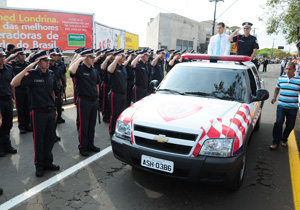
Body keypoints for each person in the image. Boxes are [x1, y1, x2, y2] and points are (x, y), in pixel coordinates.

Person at [11, 50, 60, 177]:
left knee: (49, 140)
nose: (48, 62)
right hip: (38, 113)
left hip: (50, 112)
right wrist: (28, 67)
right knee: (39, 141)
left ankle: (48, 162)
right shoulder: (31, 74)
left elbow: (53, 92)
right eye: (45, 60)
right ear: (38, 62)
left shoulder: (50, 74)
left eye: (48, 60)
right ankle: (39, 165)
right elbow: (14, 83)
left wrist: (55, 109)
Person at [69, 49, 101, 157]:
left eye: (93, 57)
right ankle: (83, 147)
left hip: (93, 101)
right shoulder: (79, 69)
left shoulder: (94, 70)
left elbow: (97, 85)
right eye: (91, 57)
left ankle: (90, 145)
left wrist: (98, 98)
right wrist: (79, 59)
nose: (93, 59)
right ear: (85, 58)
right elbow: (71, 71)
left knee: (92, 125)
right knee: (84, 125)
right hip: (84, 101)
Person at [270, 62, 300, 150]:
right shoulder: (281, 78)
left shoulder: (299, 80)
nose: (287, 71)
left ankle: (284, 139)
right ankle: (276, 142)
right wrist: (274, 97)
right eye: (286, 69)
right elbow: (277, 88)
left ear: (294, 69)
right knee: (278, 123)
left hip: (293, 107)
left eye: (289, 69)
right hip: (281, 106)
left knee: (290, 125)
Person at [7, 48, 31, 134]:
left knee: (28, 108)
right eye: (21, 54)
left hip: (27, 89)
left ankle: (28, 125)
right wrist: (11, 56)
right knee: (20, 109)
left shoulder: (28, 64)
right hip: (18, 90)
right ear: (17, 55)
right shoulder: (12, 64)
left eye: (24, 54)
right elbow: (4, 64)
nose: (23, 56)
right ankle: (22, 126)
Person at [0, 47, 17, 157]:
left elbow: (12, 85)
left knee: (8, 124)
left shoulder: (9, 68)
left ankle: (7, 145)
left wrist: (14, 98)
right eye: (0, 57)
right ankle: (1, 147)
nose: (2, 59)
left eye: (3, 57)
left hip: (8, 100)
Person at [107, 49, 127, 137]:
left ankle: (119, 131)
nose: (124, 58)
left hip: (123, 94)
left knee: (120, 115)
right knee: (114, 115)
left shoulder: (123, 67)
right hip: (115, 94)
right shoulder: (114, 66)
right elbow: (109, 70)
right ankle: (112, 132)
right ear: (118, 57)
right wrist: (115, 59)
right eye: (122, 56)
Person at [101, 49, 115, 123]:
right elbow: (102, 67)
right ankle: (105, 116)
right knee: (105, 101)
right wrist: (106, 59)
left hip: (112, 84)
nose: (113, 55)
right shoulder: (106, 61)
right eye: (111, 54)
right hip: (106, 84)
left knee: (110, 102)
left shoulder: (114, 62)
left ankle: (110, 115)